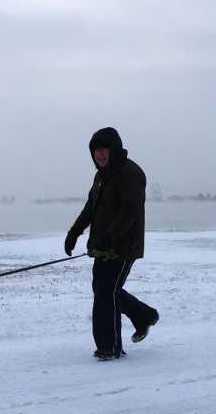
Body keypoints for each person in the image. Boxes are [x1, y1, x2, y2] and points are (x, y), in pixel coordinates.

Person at [65, 127, 159, 361]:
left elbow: (130, 211)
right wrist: (74, 232)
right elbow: (90, 209)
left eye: (104, 148)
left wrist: (110, 236)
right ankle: (144, 316)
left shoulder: (131, 173)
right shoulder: (100, 176)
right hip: (102, 246)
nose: (100, 154)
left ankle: (109, 347)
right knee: (104, 289)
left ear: (114, 149)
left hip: (124, 246)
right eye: (96, 150)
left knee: (106, 292)